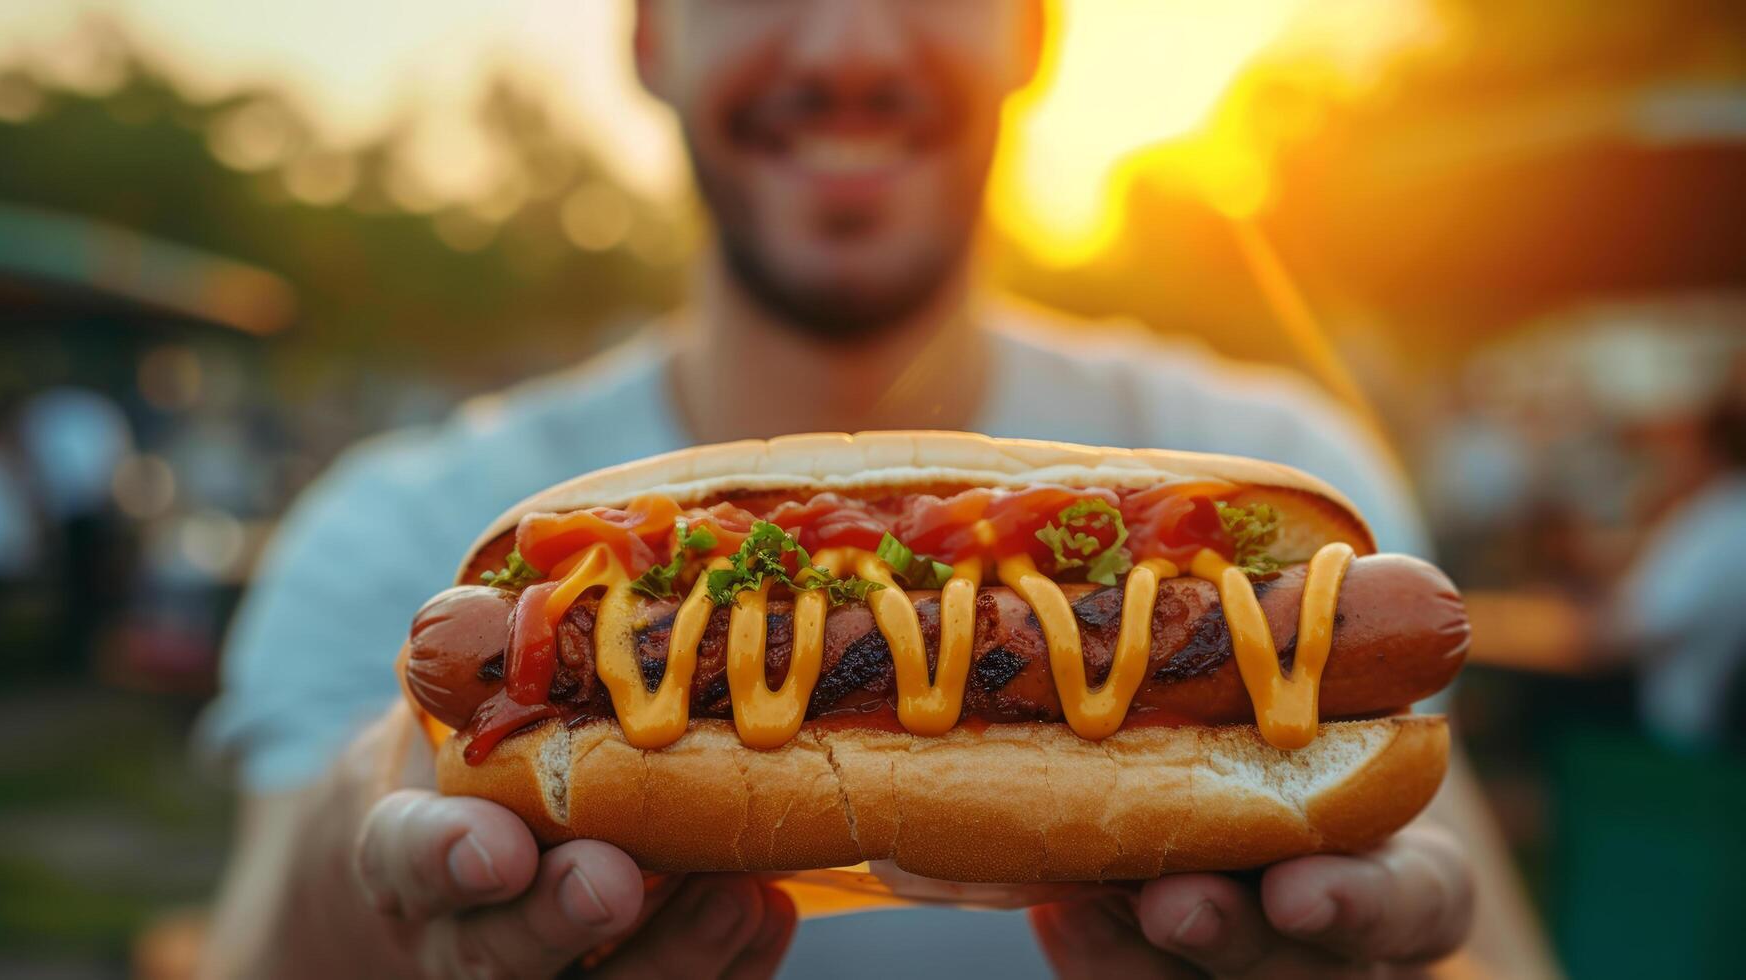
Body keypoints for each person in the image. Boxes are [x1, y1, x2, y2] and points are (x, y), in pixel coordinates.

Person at [201, 2, 1549, 976]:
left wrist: (1398, 967)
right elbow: (248, 950)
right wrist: (366, 831)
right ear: (646, 36)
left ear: (1033, 35)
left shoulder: (1281, 443)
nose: (846, 43)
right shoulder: (388, 525)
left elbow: (1471, 926)